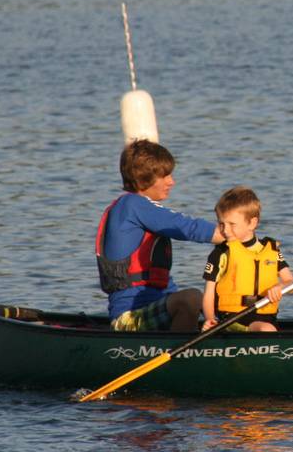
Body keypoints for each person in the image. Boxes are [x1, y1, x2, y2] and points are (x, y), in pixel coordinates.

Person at [95, 140, 223, 332]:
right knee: (191, 298)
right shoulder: (132, 205)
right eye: (165, 176)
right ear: (143, 179)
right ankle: (181, 357)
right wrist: (231, 234)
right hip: (129, 319)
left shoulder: (137, 207)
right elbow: (185, 226)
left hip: (157, 307)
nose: (172, 182)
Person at [201, 186, 293, 332]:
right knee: (266, 330)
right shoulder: (221, 253)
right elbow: (209, 293)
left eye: (232, 224)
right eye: (221, 224)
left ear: (252, 223)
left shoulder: (271, 250)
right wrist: (209, 318)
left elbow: (291, 282)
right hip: (231, 319)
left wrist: (280, 287)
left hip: (267, 317)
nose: (225, 230)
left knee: (267, 327)